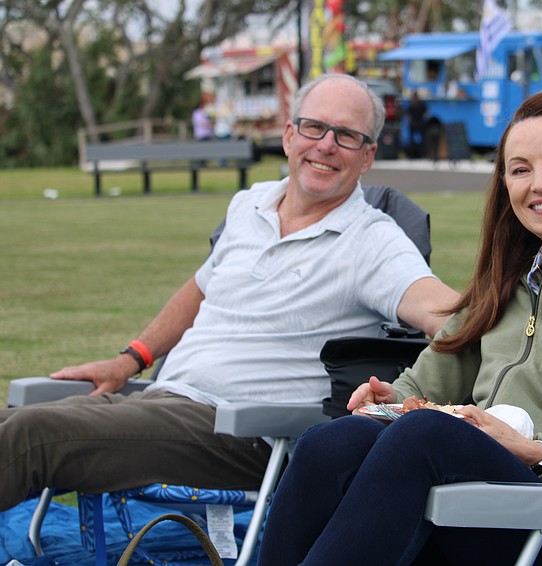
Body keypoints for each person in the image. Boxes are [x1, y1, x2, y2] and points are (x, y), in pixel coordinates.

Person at [256, 91, 542, 565]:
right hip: (481, 514)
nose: (540, 184)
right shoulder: (504, 282)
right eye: (521, 169)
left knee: (428, 434)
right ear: (506, 184)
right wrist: (390, 400)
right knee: (330, 442)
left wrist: (537, 452)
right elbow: (422, 386)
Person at [0, 74, 459, 512]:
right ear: (288, 135)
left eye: (346, 135)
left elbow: (438, 308)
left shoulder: (373, 240)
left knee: (31, 435)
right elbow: (201, 289)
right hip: (161, 402)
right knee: (12, 425)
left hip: (246, 434)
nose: (325, 145)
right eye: (314, 127)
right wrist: (130, 359)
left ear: (368, 156)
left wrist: (510, 313)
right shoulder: (250, 203)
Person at [406, 91, 428, 158]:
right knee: (423, 139)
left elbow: (408, 116)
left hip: (413, 124)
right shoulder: (422, 105)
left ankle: (412, 155)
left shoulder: (411, 105)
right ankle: (423, 154)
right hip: (421, 124)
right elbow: (426, 115)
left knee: (411, 140)